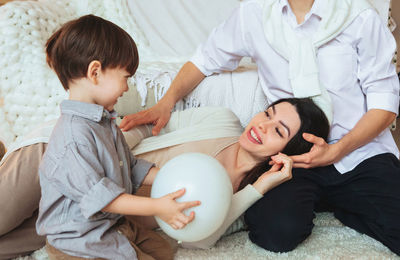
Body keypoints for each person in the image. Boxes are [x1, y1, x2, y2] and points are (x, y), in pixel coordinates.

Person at [119, 0, 400, 255]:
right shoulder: (255, 13)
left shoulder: (358, 16)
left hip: (357, 151)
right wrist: (166, 103)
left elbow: (385, 103)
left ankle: (348, 203)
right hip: (288, 154)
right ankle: (328, 201)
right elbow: (205, 59)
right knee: (274, 234)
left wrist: (338, 150)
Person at [0, 96, 329, 258]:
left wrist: (259, 186)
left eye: (279, 130)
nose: (262, 125)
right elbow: (141, 127)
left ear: (288, 151)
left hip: (89, 221)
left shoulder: (242, 199)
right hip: (64, 162)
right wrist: (93, 160)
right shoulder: (220, 119)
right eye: (267, 113)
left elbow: (197, 238)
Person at [35, 14, 203, 260]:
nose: (126, 88)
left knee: (164, 250)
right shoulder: (73, 137)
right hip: (79, 241)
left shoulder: (104, 121)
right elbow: (107, 200)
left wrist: (173, 176)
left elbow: (131, 167)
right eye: (125, 78)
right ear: (95, 72)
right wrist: (158, 207)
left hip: (111, 225)